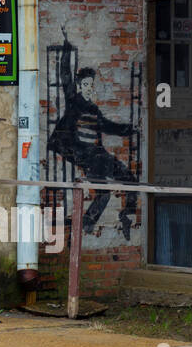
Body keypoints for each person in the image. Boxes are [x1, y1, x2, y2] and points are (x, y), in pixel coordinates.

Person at [47, 32, 138, 240]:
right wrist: (67, 47)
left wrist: (129, 129)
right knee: (103, 193)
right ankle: (85, 227)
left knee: (131, 181)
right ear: (80, 87)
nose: (89, 88)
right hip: (83, 155)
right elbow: (65, 77)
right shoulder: (74, 101)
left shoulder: (95, 110)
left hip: (98, 155)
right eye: (86, 85)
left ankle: (127, 214)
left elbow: (107, 126)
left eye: (91, 85)